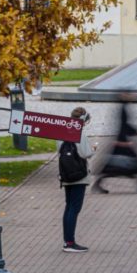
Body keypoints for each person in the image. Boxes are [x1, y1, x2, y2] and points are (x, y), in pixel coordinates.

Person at [92, 92, 137, 194]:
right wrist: (136, 133)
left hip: (121, 140)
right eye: (130, 94)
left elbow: (124, 126)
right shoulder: (123, 109)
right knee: (132, 163)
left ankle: (98, 184)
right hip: (122, 141)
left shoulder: (123, 107)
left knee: (115, 165)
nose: (134, 96)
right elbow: (124, 126)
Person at [58, 107, 97, 253]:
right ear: (84, 120)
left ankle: (67, 240)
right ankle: (70, 243)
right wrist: (93, 149)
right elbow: (86, 153)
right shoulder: (80, 134)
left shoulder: (61, 133)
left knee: (69, 207)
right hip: (79, 176)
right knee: (74, 208)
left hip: (66, 175)